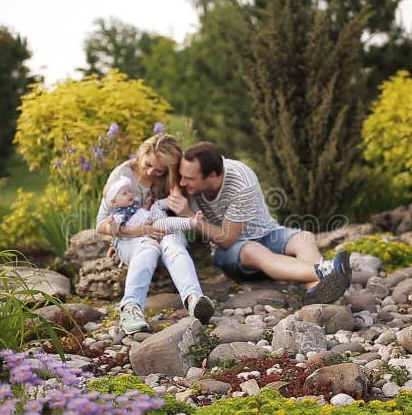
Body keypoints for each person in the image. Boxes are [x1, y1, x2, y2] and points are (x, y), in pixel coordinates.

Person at [166, 142, 351, 304]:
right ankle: (325, 270)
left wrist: (190, 216)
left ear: (212, 175)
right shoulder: (185, 181)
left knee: (304, 238)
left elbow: (227, 236)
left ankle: (316, 289)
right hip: (231, 253)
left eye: (189, 178)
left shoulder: (240, 182)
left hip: (266, 233)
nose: (182, 183)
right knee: (253, 249)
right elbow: (228, 243)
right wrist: (188, 213)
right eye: (182, 176)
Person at [96, 133, 214, 335]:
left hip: (164, 231)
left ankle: (194, 300)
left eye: (159, 170)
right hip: (133, 238)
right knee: (147, 247)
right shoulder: (121, 176)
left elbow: (192, 215)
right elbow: (100, 224)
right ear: (141, 154)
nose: (151, 172)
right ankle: (130, 308)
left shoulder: (172, 178)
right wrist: (137, 230)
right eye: (147, 164)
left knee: (174, 243)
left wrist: (181, 203)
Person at [105, 175, 204, 233]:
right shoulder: (119, 214)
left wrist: (147, 205)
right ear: (114, 202)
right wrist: (112, 223)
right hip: (150, 226)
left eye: (129, 191)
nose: (129, 194)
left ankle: (174, 199)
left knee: (157, 204)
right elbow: (118, 230)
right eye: (124, 193)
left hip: (152, 215)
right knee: (167, 222)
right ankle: (192, 223)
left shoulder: (133, 204)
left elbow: (141, 210)